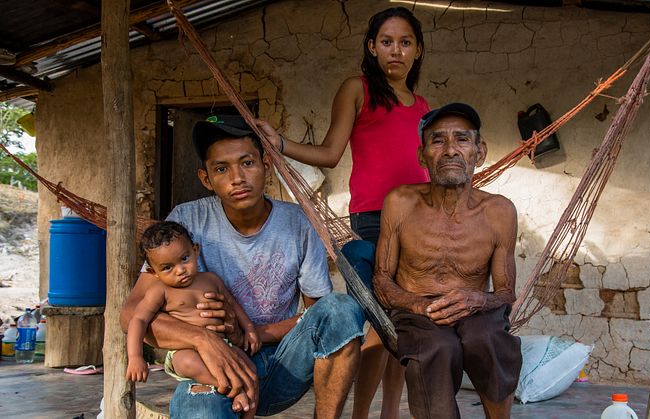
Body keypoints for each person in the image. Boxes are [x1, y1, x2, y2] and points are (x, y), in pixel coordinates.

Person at [120, 115, 365, 418]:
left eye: (247, 163)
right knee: (202, 410)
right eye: (221, 169)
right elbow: (132, 314)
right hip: (214, 366)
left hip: (282, 365)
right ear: (206, 178)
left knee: (341, 309)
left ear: (267, 165)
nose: (237, 177)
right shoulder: (186, 222)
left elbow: (317, 317)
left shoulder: (298, 223)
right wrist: (203, 339)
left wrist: (257, 333)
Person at [256, 7, 428, 418]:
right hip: (373, 219)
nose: (396, 51)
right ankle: (360, 414)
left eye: (405, 43)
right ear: (372, 47)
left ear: (418, 50)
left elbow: (428, 168)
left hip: (419, 221)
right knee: (379, 321)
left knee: (403, 324)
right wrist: (281, 144)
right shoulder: (358, 89)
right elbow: (331, 154)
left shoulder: (423, 106)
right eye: (386, 42)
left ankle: (389, 413)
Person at [372, 103, 522, 419]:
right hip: (416, 313)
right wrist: (416, 305)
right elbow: (382, 280)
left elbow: (507, 292)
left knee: (488, 338)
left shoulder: (499, 212)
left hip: (477, 309)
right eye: (438, 140)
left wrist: (479, 299)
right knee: (438, 348)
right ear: (422, 155)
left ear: (480, 152)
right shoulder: (400, 203)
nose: (450, 150)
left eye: (462, 140)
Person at [125, 221, 260, 417]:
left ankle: (247, 411)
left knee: (250, 371)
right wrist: (135, 357)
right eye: (167, 268)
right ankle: (232, 389)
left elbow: (233, 304)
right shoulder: (160, 291)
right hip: (187, 350)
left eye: (184, 258)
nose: (180, 270)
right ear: (153, 272)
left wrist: (249, 328)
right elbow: (138, 320)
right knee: (187, 362)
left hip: (224, 344)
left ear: (196, 250)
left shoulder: (211, 279)